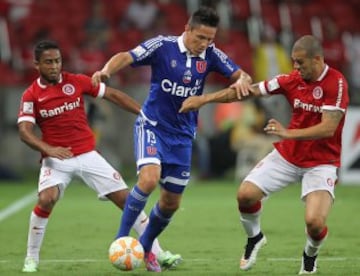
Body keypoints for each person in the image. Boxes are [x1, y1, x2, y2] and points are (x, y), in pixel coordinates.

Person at [92, 6, 252, 272]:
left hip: (182, 136)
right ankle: (121, 240)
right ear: (187, 29)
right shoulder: (162, 46)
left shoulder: (211, 55)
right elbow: (127, 56)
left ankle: (145, 247)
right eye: (201, 37)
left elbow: (240, 75)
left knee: (171, 202)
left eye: (210, 39)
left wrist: (242, 80)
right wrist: (106, 71)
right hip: (152, 125)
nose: (205, 44)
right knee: (149, 178)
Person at [179, 35, 349, 274]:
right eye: (293, 62)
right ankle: (255, 238)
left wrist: (287, 133)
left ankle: (310, 254)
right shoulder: (292, 79)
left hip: (321, 163)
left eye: (300, 62)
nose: (296, 68)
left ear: (318, 59)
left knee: (314, 223)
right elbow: (248, 92)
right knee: (245, 195)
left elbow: (328, 127)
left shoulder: (336, 83)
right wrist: (205, 99)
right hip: (288, 157)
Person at [17, 40, 181, 273]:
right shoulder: (31, 95)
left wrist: (144, 113)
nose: (54, 66)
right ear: (37, 65)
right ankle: (31, 258)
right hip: (56, 159)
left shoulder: (76, 82)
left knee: (128, 200)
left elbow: (113, 95)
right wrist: (49, 149)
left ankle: (159, 253)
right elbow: (24, 132)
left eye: (57, 61)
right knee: (46, 199)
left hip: (88, 155)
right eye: (48, 62)